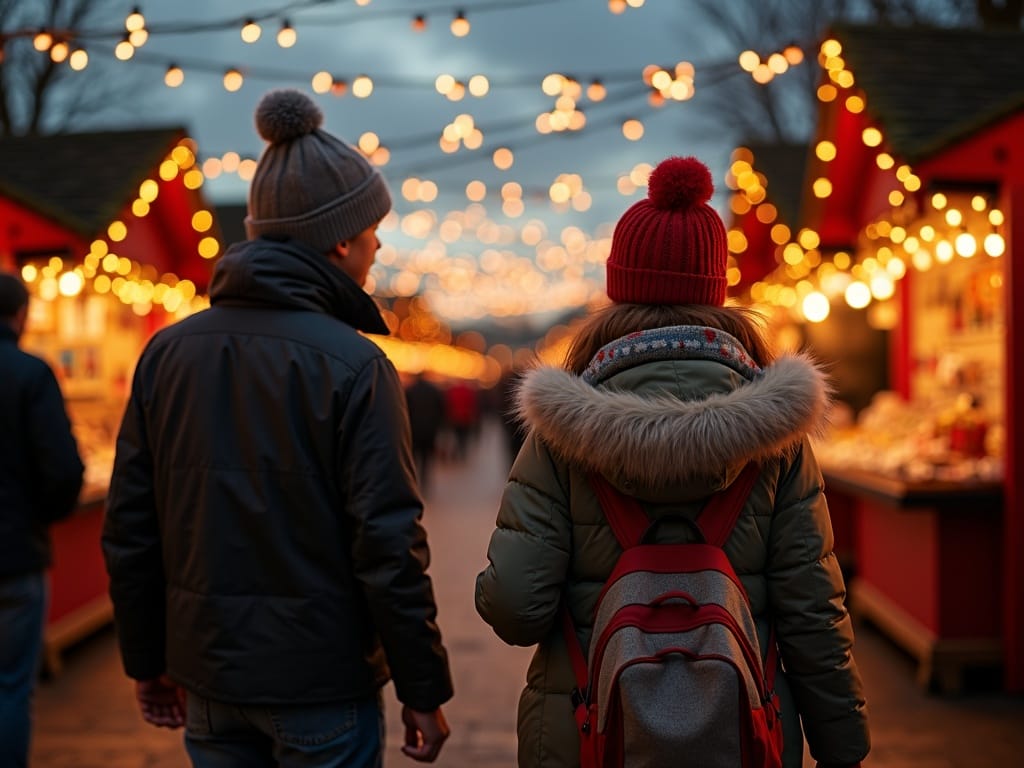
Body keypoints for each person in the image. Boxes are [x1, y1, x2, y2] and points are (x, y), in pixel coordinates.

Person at [475, 156, 869, 768]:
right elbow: (814, 614)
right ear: (717, 287)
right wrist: (845, 746)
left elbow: (515, 607)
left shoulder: (559, 435)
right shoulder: (780, 439)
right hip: (743, 729)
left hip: (592, 732)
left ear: (618, 288)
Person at [101, 89, 453, 767]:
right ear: (341, 238)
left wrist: (146, 659)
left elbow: (131, 525)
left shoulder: (167, 354)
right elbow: (388, 546)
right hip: (321, 682)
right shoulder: (357, 365)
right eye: (373, 226)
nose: (379, 242)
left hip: (207, 677)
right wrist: (422, 687)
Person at [0, 271, 85, 768]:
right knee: (11, 686)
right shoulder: (31, 373)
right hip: (15, 556)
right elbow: (62, 470)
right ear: (21, 315)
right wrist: (42, 518)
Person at [404, 372, 446, 492]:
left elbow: (405, 410)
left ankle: (413, 482)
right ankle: (425, 482)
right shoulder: (433, 391)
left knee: (413, 458)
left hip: (414, 430)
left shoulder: (410, 391)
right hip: (430, 430)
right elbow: (440, 410)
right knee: (427, 458)